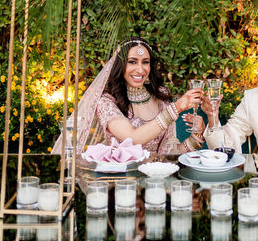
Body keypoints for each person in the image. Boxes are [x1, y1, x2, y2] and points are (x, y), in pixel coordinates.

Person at [52, 37, 205, 155]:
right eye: (132, 62)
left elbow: (167, 154)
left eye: (145, 62)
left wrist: (196, 136)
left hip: (155, 183)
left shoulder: (161, 96)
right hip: (120, 182)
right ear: (121, 65)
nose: (140, 69)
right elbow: (132, 139)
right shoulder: (106, 102)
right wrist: (176, 108)